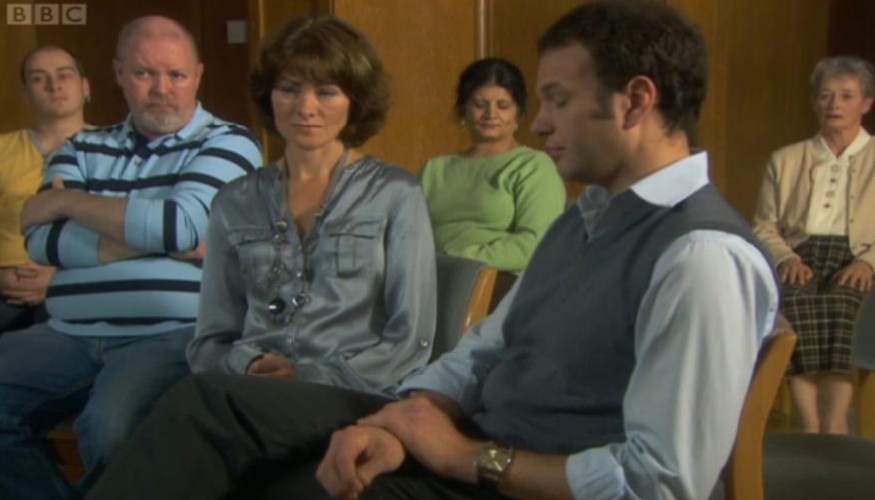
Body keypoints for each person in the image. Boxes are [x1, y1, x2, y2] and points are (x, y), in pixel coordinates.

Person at [87, 2, 778, 499]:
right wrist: (401, 423)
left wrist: (469, 458)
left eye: (558, 100)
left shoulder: (701, 257)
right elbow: (480, 353)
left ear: (635, 101)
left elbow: (658, 482)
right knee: (216, 412)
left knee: (273, 472)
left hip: (504, 474)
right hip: (466, 443)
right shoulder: (582, 220)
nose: (536, 122)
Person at [0, 16, 262, 500]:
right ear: (119, 74)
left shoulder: (228, 142)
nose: (162, 89)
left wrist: (67, 203)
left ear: (197, 76)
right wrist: (163, 231)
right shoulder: (82, 145)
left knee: (109, 428)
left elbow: (179, 225)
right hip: (66, 333)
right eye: (144, 74)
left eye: (176, 75)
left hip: (171, 332)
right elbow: (43, 242)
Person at [187, 15, 436, 391]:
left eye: (326, 92)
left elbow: (409, 341)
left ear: (355, 101)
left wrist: (310, 377)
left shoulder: (395, 193)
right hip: (250, 391)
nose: (305, 107)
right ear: (269, 97)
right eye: (289, 88)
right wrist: (248, 364)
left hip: (350, 394)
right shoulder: (233, 201)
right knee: (174, 412)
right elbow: (208, 344)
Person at [753, 56, 875, 434]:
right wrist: (785, 257)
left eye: (847, 96)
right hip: (803, 255)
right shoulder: (786, 159)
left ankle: (835, 424)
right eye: (826, 95)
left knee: (842, 302)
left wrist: (869, 263)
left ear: (867, 102)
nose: (835, 105)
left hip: (863, 256)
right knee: (794, 301)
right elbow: (764, 226)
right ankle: (809, 424)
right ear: (814, 101)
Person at [420, 58, 565, 273]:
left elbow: (535, 243)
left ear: (518, 112)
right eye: (480, 105)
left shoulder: (532, 166)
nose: (491, 114)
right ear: (463, 110)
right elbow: (409, 236)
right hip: (429, 281)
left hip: (500, 285)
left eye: (503, 106)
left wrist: (456, 261)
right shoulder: (434, 169)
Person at [0, 46, 91, 334]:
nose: (54, 85)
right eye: (39, 78)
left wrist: (60, 276)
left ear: (85, 87)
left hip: (81, 284)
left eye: (64, 75)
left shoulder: (114, 152)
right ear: (26, 95)